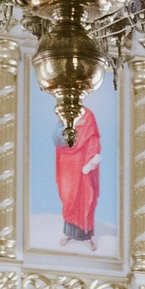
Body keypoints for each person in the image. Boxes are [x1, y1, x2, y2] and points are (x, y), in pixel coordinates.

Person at [54, 100, 102, 247]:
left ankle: (87, 236)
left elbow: (94, 138)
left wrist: (91, 161)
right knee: (68, 196)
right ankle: (69, 233)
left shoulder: (88, 116)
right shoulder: (64, 113)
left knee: (86, 196)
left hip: (83, 162)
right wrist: (69, 126)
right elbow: (57, 138)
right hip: (67, 163)